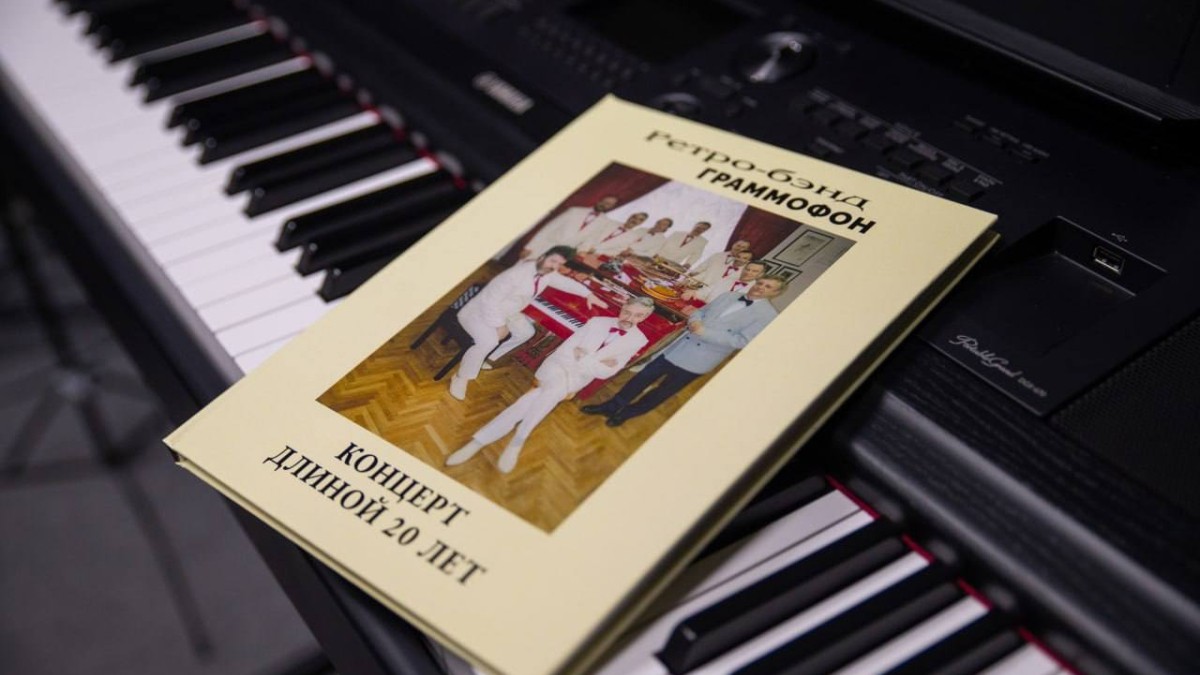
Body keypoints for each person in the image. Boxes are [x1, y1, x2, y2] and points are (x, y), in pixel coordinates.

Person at [445, 297, 655, 473]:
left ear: (645, 317)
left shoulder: (638, 340)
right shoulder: (597, 322)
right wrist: (593, 362)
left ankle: (479, 442)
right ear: (622, 307)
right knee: (553, 391)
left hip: (576, 379)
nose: (629, 319)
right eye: (627, 312)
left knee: (536, 397)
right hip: (556, 367)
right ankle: (517, 441)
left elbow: (608, 372)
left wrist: (583, 357)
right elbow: (566, 351)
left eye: (638, 316)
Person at [582, 277, 787, 426]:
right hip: (680, 346)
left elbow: (743, 341)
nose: (761, 287)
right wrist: (695, 320)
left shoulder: (767, 314)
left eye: (768, 287)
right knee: (642, 377)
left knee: (662, 391)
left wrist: (705, 332)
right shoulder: (729, 295)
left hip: (701, 359)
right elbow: (701, 312)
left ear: (775, 293)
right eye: (760, 282)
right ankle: (611, 406)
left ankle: (626, 414)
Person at [449, 246, 606, 400]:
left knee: (525, 332)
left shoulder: (546, 273)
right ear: (542, 257)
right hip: (478, 313)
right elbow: (489, 302)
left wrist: (588, 294)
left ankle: (487, 357)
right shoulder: (516, 274)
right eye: (553, 261)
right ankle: (461, 377)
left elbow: (565, 282)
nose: (554, 267)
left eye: (559, 264)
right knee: (488, 341)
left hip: (506, 312)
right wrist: (499, 325)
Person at [521, 195, 620, 259]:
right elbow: (548, 228)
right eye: (605, 202)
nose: (605, 205)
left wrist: (582, 252)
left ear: (612, 207)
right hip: (543, 247)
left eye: (609, 204)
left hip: (561, 255)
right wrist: (530, 247)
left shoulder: (604, 222)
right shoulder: (574, 211)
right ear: (599, 200)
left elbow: (590, 240)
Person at [687, 249, 754, 300]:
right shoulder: (721, 263)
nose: (740, 259)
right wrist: (689, 280)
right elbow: (707, 274)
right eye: (739, 256)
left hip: (716, 298)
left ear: (749, 261)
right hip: (701, 292)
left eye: (745, 258)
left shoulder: (744, 275)